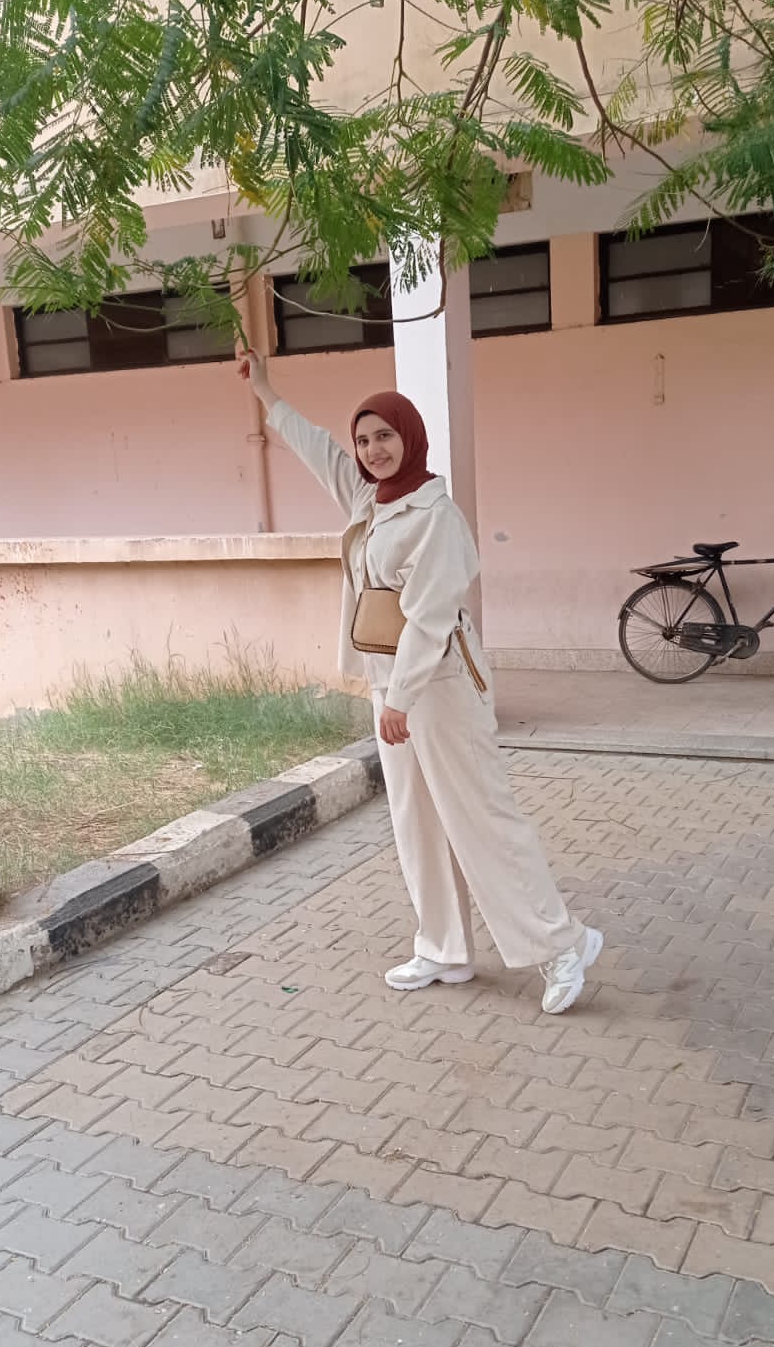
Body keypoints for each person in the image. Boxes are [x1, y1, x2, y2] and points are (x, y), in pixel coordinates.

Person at [239, 350, 603, 1015]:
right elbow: (316, 449)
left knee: (480, 819)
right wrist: (265, 390)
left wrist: (400, 699)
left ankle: (562, 944)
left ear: (410, 437)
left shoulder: (436, 515)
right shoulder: (369, 498)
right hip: (393, 685)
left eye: (385, 435)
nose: (372, 449)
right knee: (417, 821)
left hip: (440, 686)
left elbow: (432, 616)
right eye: (364, 439)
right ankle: (444, 948)